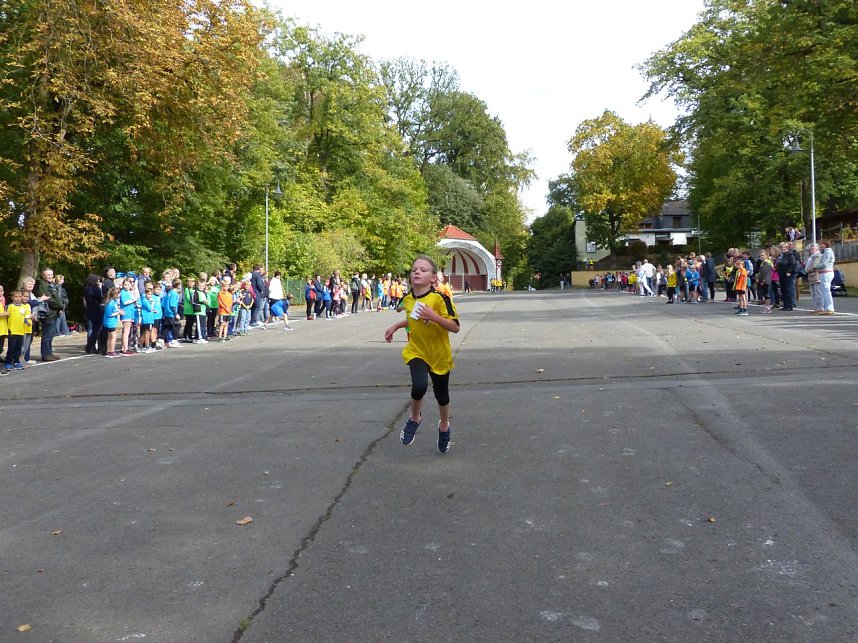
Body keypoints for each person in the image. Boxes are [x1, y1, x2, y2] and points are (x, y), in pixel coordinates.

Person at [384, 255, 460, 454]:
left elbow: (455, 327)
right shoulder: (408, 300)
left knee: (441, 396)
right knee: (419, 386)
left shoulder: (440, 298)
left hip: (438, 354)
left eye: (423, 270)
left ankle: (444, 425)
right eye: (414, 269)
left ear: (433, 278)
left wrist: (434, 317)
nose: (417, 272)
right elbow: (413, 318)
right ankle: (415, 418)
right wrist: (396, 326)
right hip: (417, 351)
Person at [35, 267, 63, 362]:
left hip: (53, 313)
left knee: (50, 335)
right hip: (48, 313)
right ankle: (46, 354)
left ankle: (49, 353)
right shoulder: (44, 285)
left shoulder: (50, 284)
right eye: (48, 275)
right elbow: (49, 299)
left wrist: (60, 306)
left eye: (51, 274)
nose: (50, 276)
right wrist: (59, 305)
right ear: (43, 276)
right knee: (47, 335)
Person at [5, 289, 32, 369]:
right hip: (12, 330)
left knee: (18, 347)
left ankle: (17, 361)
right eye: (16, 297)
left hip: (21, 331)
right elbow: (6, 317)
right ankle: (9, 361)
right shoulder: (10, 306)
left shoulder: (23, 307)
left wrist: (27, 322)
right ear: (12, 298)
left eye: (20, 297)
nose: (18, 298)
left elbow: (24, 318)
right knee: (11, 347)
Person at [816, 239, 836, 315]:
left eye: (822, 244)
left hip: (826, 272)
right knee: (824, 291)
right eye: (820, 244)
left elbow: (824, 264)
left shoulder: (828, 252)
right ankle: (826, 308)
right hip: (824, 272)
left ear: (826, 244)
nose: (821, 246)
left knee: (826, 291)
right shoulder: (825, 252)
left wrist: (815, 266)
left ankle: (829, 308)